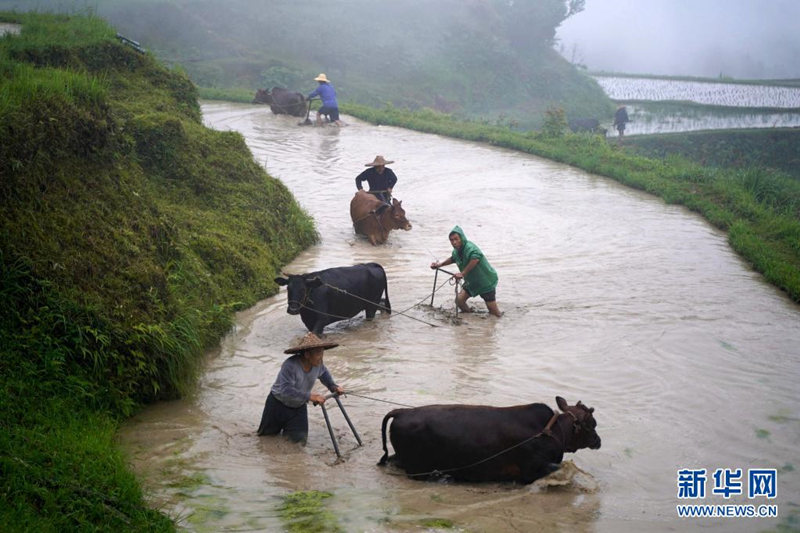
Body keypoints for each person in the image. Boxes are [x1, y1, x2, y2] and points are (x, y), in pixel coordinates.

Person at [257, 332, 345, 444]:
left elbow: (324, 375)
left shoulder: (318, 364)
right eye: (318, 353)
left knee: (298, 443)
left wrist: (334, 387)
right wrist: (310, 396)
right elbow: (286, 390)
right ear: (307, 354)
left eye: (322, 352)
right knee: (266, 439)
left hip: (298, 407)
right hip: (277, 405)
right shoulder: (290, 365)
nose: (321, 357)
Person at [430, 225, 501, 317]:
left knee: (494, 312)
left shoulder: (470, 248)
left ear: (462, 238)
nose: (454, 242)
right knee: (459, 301)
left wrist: (462, 273)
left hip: (485, 281)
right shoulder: (456, 251)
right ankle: (470, 317)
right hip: (471, 282)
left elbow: (475, 259)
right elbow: (453, 258)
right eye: (451, 240)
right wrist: (439, 265)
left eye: (456, 239)